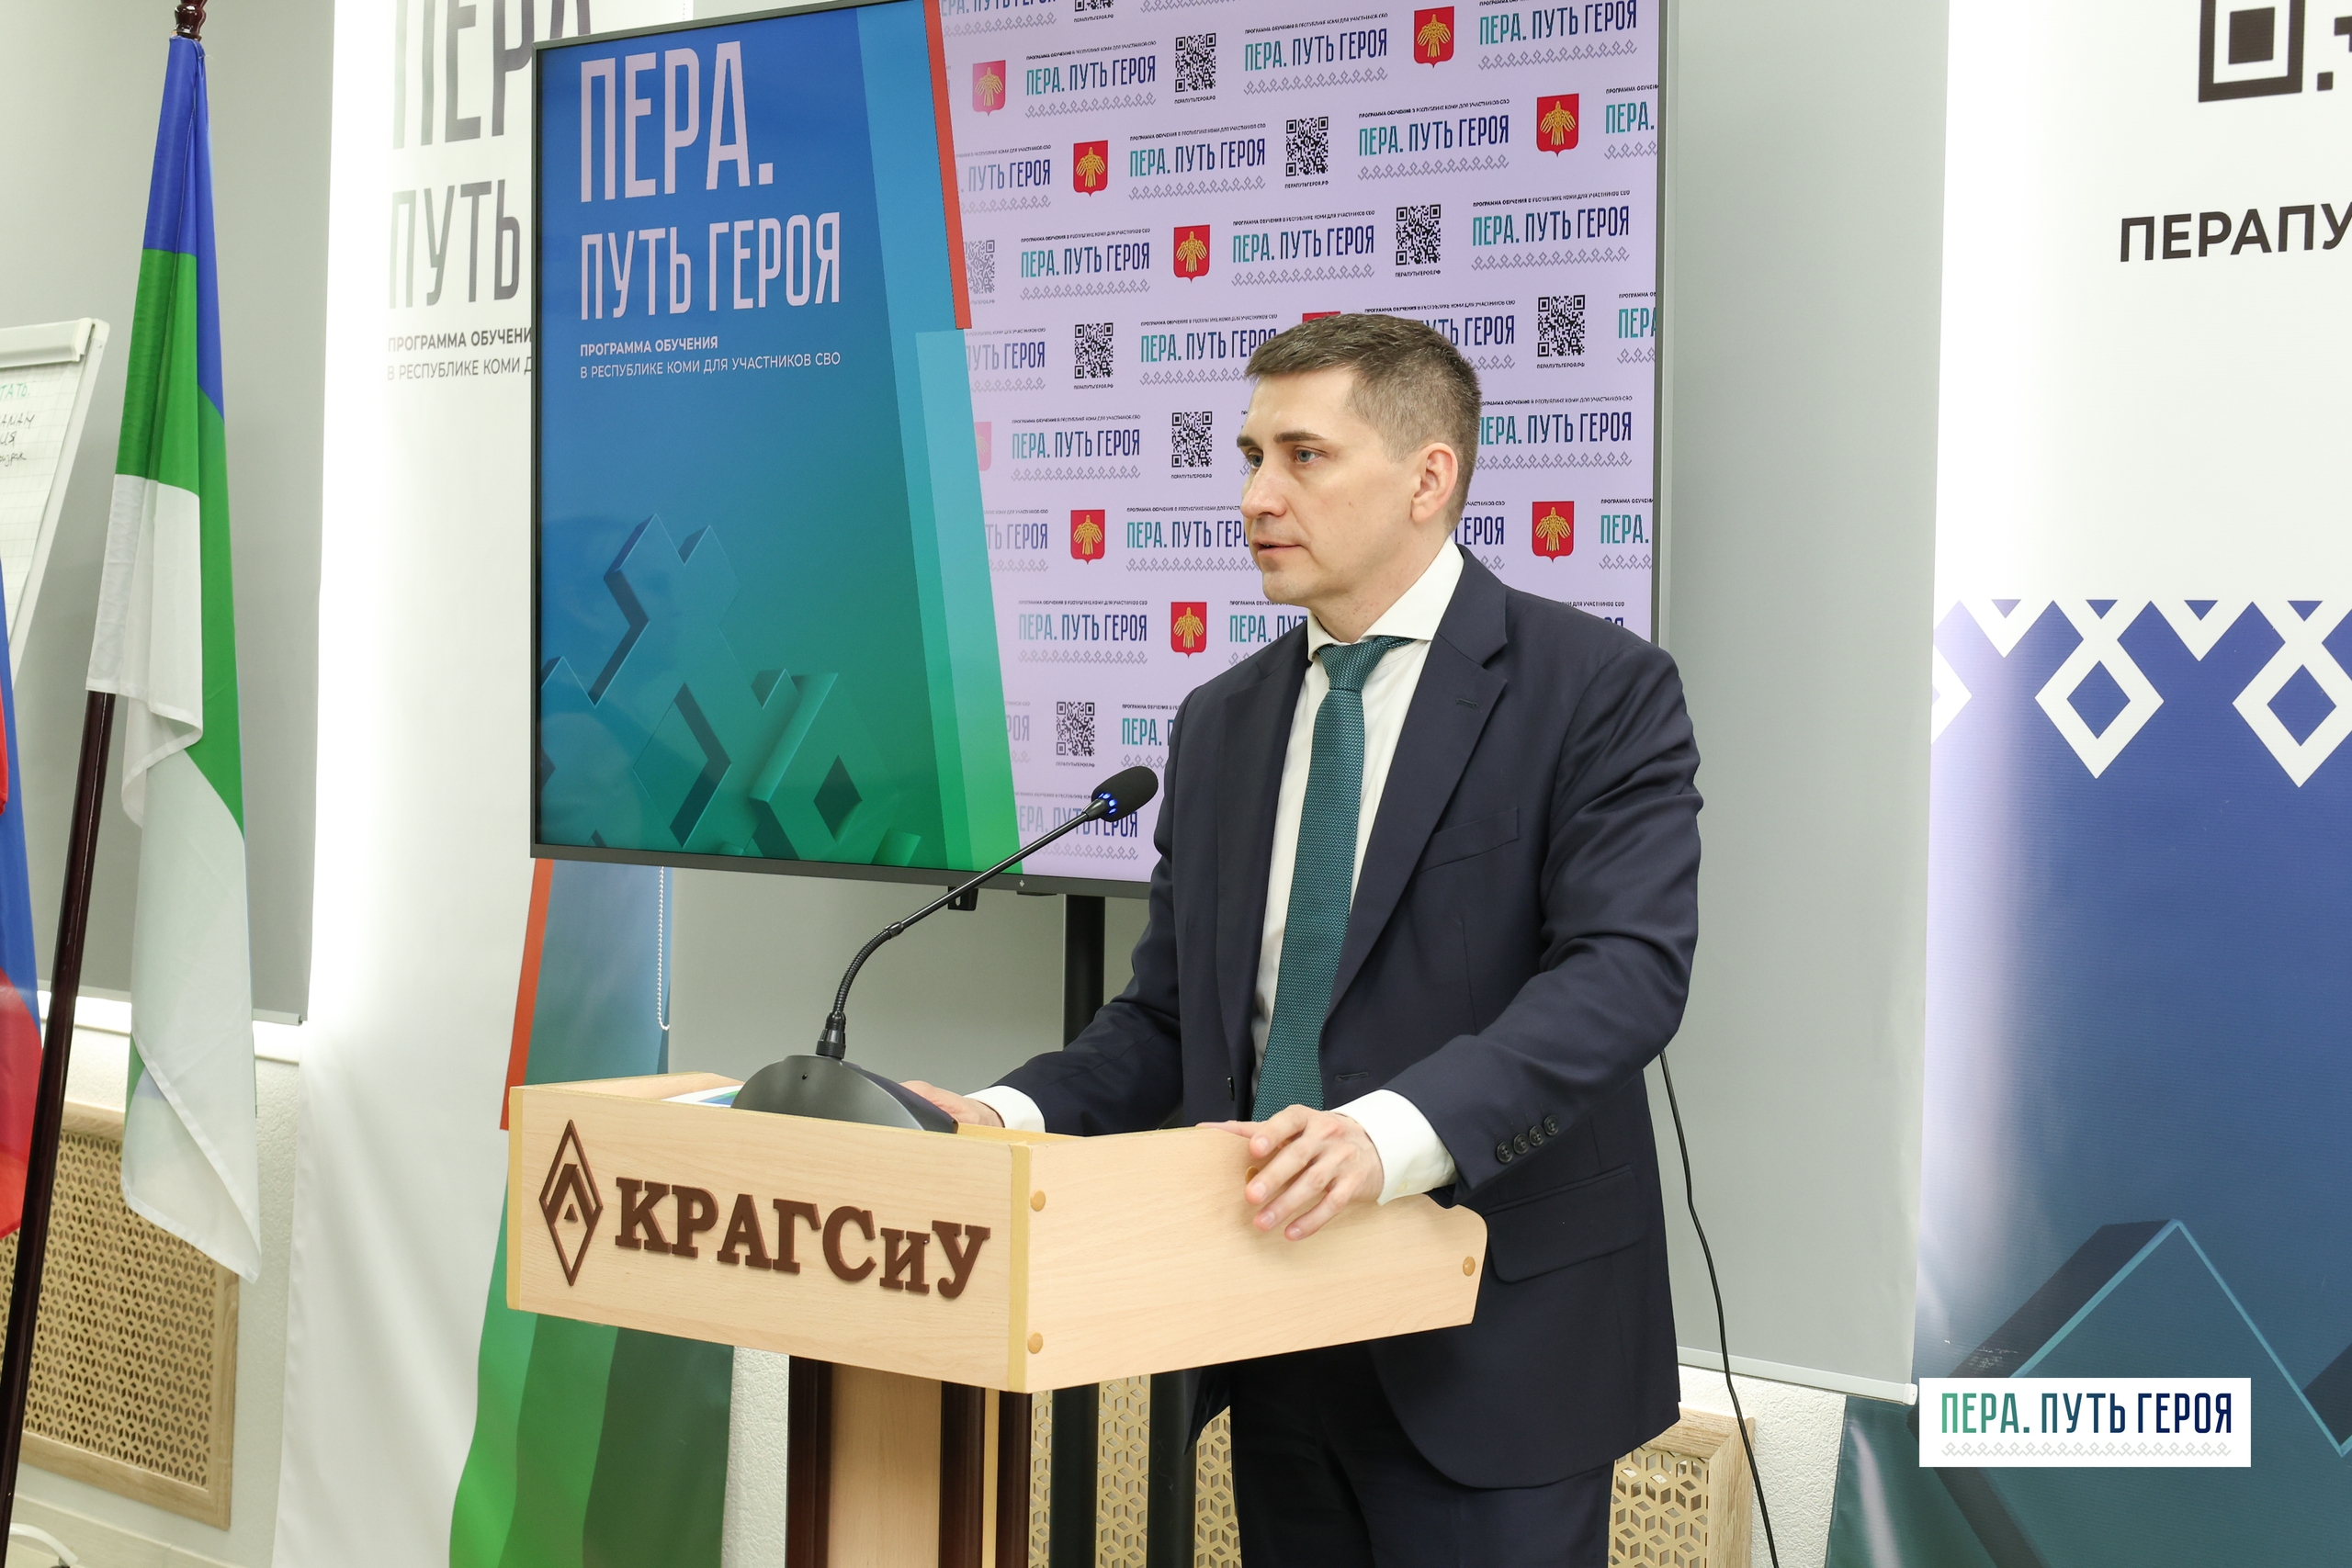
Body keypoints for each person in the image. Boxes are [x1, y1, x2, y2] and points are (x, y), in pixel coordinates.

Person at [908, 312, 1702, 1566]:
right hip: (1271, 1328)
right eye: (1250, 456)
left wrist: (1383, 1139)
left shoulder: (1596, 689)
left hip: (1494, 1339)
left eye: (1303, 456)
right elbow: (1171, 1020)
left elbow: (1622, 977)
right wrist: (999, 1118)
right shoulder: (1222, 722)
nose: (1256, 496)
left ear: (1429, 477)